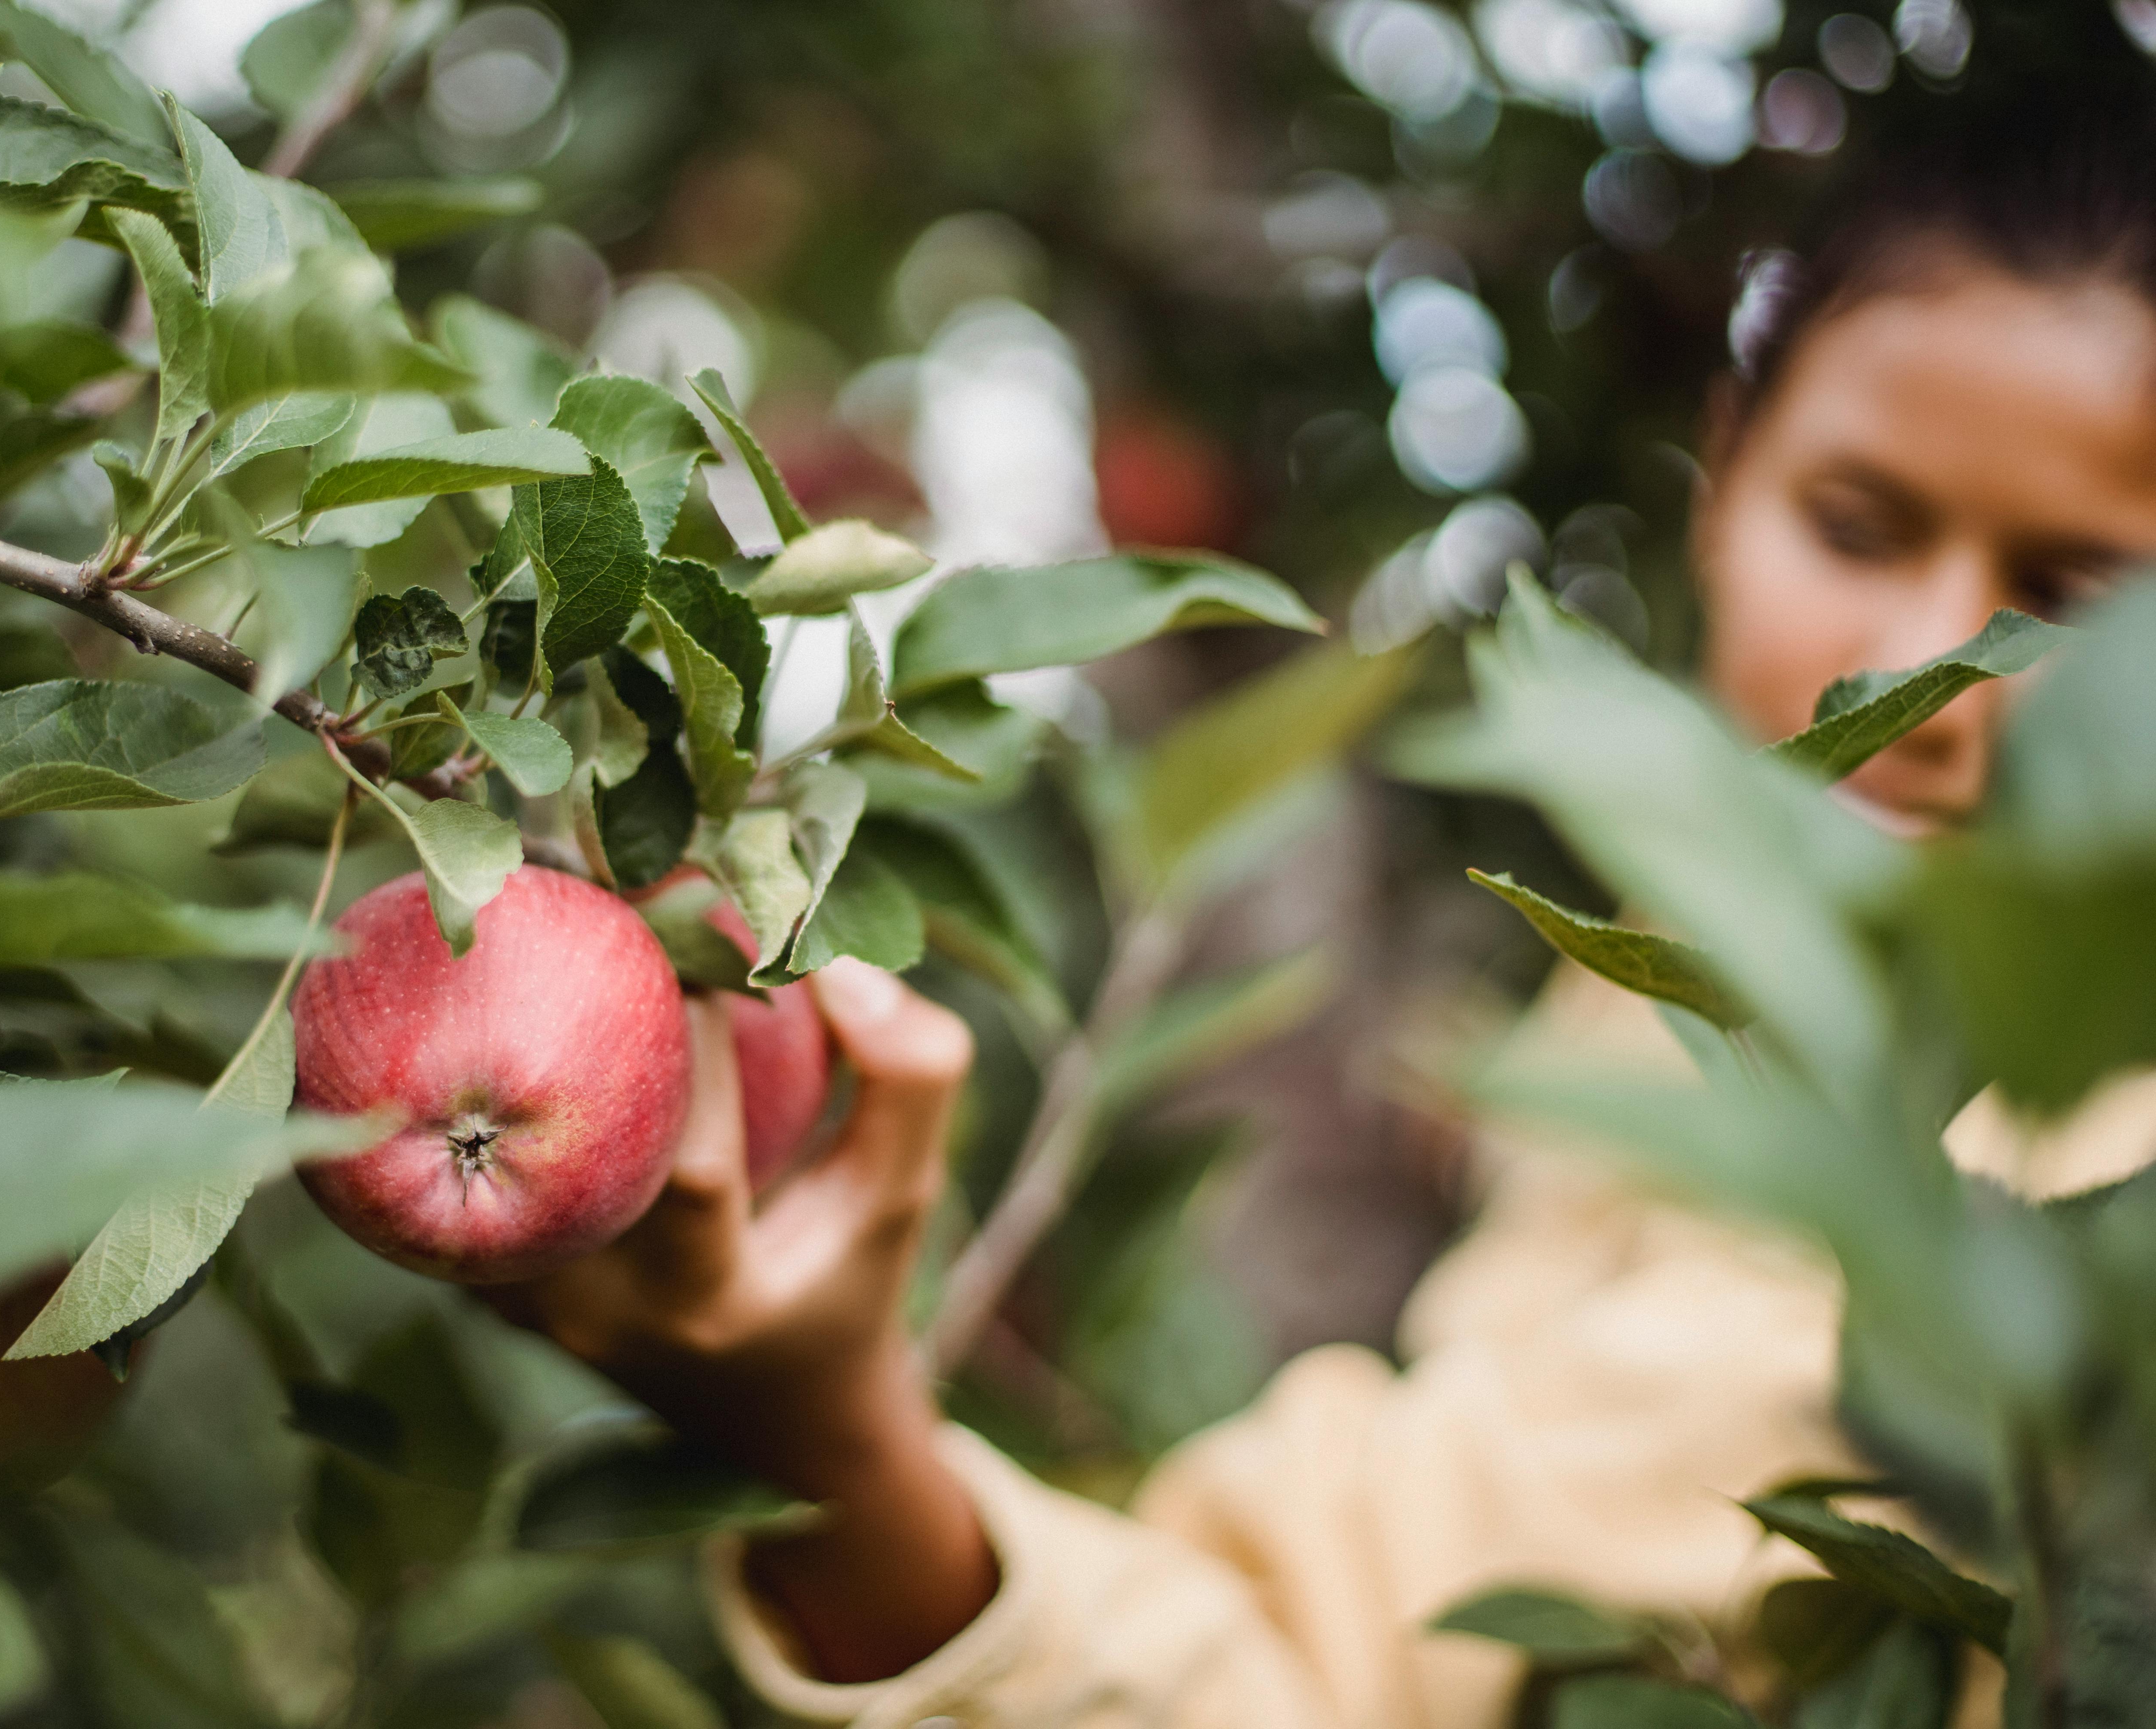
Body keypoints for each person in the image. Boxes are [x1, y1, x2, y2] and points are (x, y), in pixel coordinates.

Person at [501, 88, 2156, 1729]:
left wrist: (845, 1457)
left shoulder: (2091, 1163)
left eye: (2081, 595)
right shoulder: (1653, 989)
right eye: (1858, 527)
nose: (1942, 672)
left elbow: (1356, 1653)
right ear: (1723, 466)